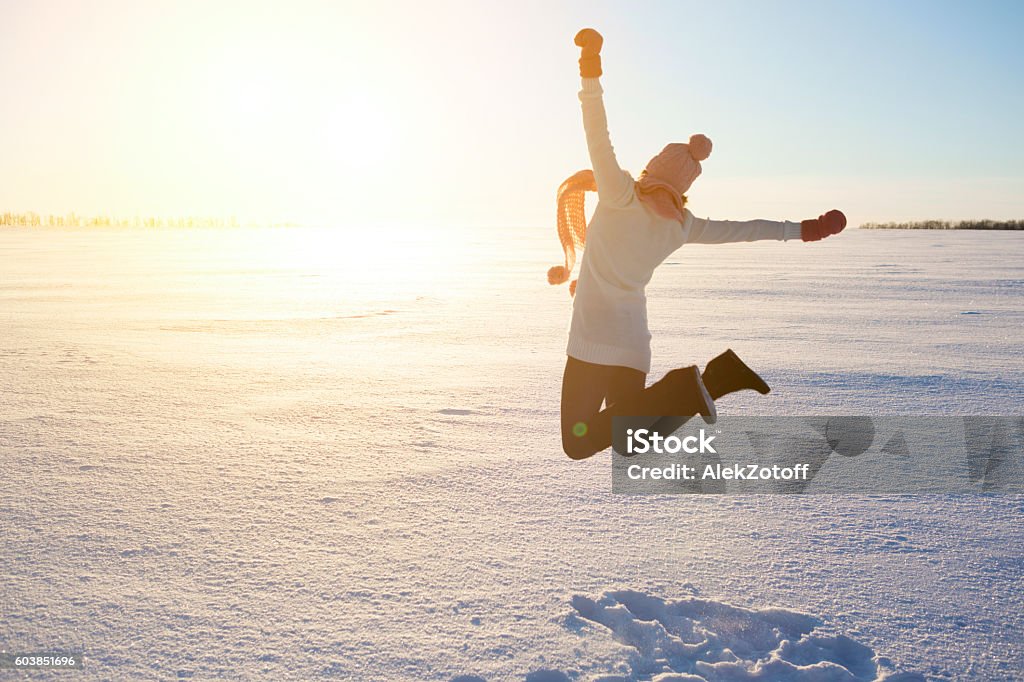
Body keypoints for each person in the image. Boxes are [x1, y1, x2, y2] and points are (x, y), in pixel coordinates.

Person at [552, 29, 847, 460]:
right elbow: (746, 229)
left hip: (592, 342)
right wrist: (805, 229)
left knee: (578, 443)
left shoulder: (619, 195)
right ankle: (714, 381)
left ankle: (681, 386)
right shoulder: (683, 225)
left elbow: (597, 131)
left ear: (651, 168)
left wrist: (590, 66)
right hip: (632, 346)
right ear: (685, 187)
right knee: (633, 439)